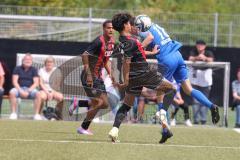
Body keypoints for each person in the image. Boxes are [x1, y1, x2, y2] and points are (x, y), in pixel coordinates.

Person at [134, 15, 220, 125]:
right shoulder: (156, 26)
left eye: (137, 26)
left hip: (167, 59)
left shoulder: (145, 31)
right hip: (177, 55)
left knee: (160, 85)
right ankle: (212, 106)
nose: (137, 29)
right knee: (188, 89)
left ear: (142, 25)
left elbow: (149, 37)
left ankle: (161, 111)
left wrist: (139, 47)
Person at [108, 13, 176, 144]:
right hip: (144, 73)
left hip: (133, 79)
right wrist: (125, 79)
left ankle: (114, 130)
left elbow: (127, 56)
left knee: (126, 105)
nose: (131, 25)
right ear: (125, 25)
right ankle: (161, 112)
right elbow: (127, 61)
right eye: (129, 23)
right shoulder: (133, 41)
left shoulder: (121, 43)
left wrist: (152, 53)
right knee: (171, 89)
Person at [74, 20, 115, 135]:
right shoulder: (98, 41)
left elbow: (106, 60)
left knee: (105, 104)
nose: (111, 30)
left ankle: (79, 103)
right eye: (108, 28)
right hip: (89, 76)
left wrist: (111, 74)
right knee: (99, 102)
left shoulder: (112, 42)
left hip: (98, 76)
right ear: (103, 29)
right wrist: (88, 75)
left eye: (112, 28)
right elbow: (85, 55)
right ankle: (83, 128)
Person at [9, 53, 42, 120]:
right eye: (26, 59)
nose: (28, 61)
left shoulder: (34, 69)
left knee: (38, 94)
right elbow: (14, 82)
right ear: (22, 60)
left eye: (29, 59)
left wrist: (28, 91)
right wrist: (20, 91)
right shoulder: (17, 68)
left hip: (30, 89)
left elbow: (36, 83)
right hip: (19, 88)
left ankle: (36, 114)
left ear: (32, 61)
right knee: (12, 92)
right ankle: (13, 113)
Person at [189, 40, 214, 124]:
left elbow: (211, 60)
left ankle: (203, 120)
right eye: (198, 45)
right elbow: (190, 58)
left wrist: (204, 58)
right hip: (195, 81)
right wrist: (197, 58)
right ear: (196, 46)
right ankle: (196, 120)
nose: (200, 46)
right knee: (195, 100)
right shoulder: (193, 52)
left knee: (205, 100)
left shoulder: (208, 52)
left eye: (201, 45)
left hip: (206, 81)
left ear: (205, 46)